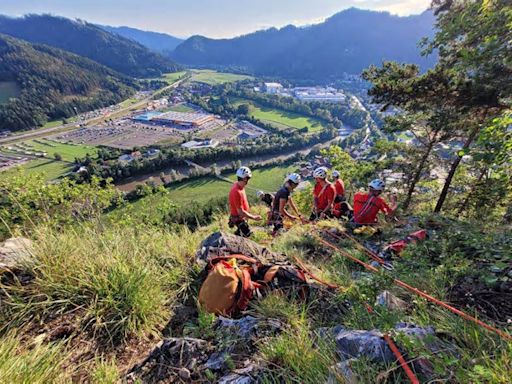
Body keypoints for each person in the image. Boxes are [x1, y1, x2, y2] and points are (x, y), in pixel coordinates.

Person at [228, 166, 262, 237]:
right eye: (248, 178)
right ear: (244, 178)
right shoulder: (237, 191)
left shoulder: (239, 186)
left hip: (241, 217)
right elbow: (240, 212)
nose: (248, 180)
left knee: (241, 234)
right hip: (239, 218)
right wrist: (254, 217)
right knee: (247, 235)